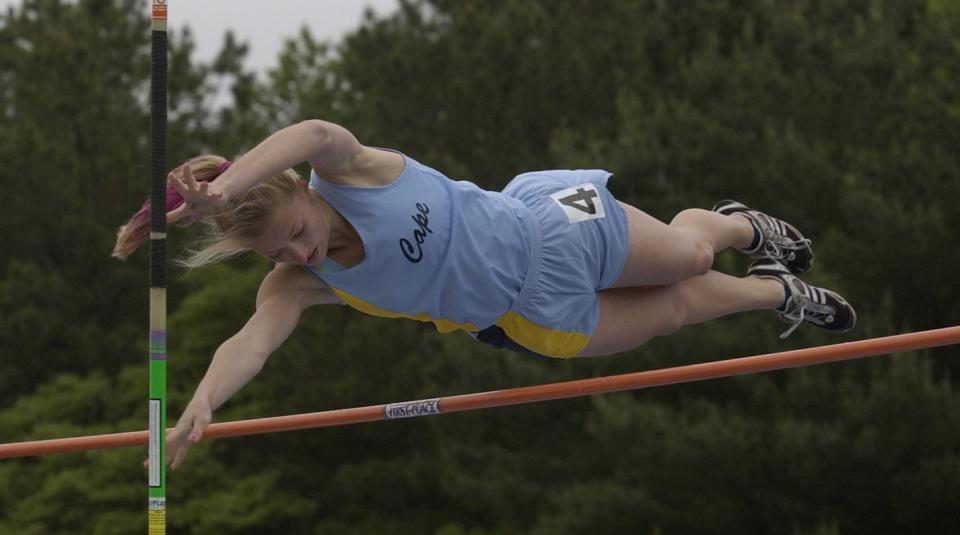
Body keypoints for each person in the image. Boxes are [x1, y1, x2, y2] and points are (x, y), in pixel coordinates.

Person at [113, 119, 855, 468]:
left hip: (549, 225)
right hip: (530, 313)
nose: (300, 250)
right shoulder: (300, 280)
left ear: (300, 194)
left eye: (297, 230)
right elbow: (252, 339)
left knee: (690, 253)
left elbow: (310, 131)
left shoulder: (352, 171)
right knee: (678, 310)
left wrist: (228, 185)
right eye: (279, 250)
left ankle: (732, 226)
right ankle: (774, 294)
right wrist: (207, 397)